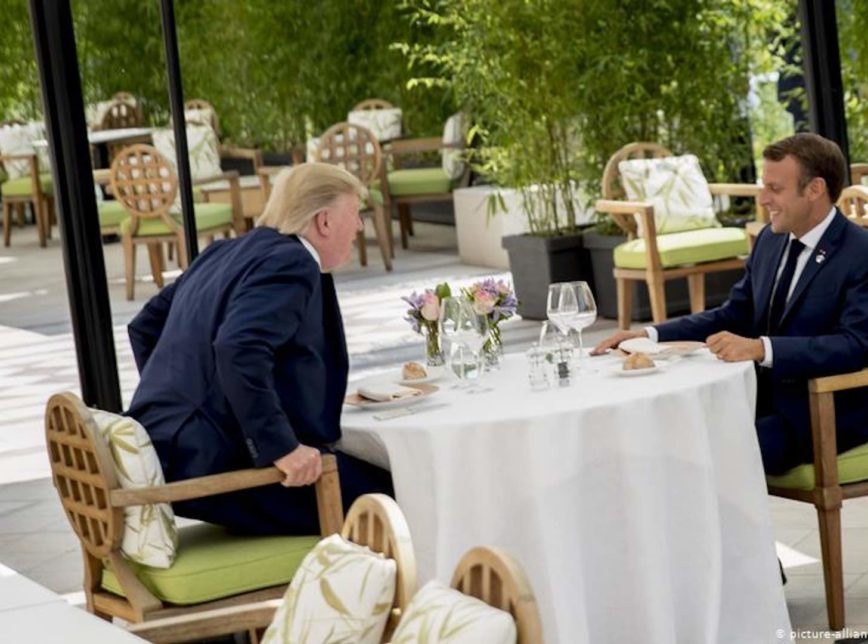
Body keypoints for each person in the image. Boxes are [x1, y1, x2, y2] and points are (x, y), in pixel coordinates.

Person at [126, 162, 393, 535]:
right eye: (354, 213)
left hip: (172, 452)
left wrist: (190, 399)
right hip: (210, 465)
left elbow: (145, 326)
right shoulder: (292, 261)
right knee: (396, 495)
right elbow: (239, 347)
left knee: (369, 476)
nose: (360, 226)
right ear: (324, 221)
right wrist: (281, 448)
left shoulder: (223, 252)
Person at [592, 133, 868, 475]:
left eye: (775, 188)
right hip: (753, 399)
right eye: (763, 186)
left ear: (815, 189)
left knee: (706, 458)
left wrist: (761, 348)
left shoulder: (860, 252)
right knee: (661, 441)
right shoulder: (771, 240)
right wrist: (649, 335)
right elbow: (734, 314)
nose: (763, 199)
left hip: (821, 412)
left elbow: (856, 345)